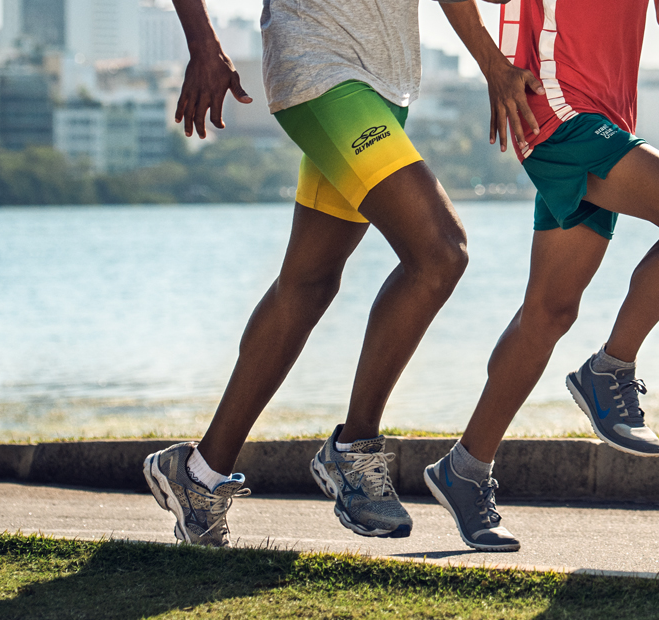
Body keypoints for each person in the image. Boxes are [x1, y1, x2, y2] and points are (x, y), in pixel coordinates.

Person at [142, 0, 514, 547]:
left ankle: (200, 475)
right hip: (319, 67)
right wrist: (203, 44)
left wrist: (494, 65)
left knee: (309, 283)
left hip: (387, 83)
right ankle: (354, 448)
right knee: (440, 253)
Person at [422, 0, 659, 552]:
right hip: (556, 112)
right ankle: (609, 371)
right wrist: (494, 66)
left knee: (550, 311)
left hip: (606, 118)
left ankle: (464, 469)